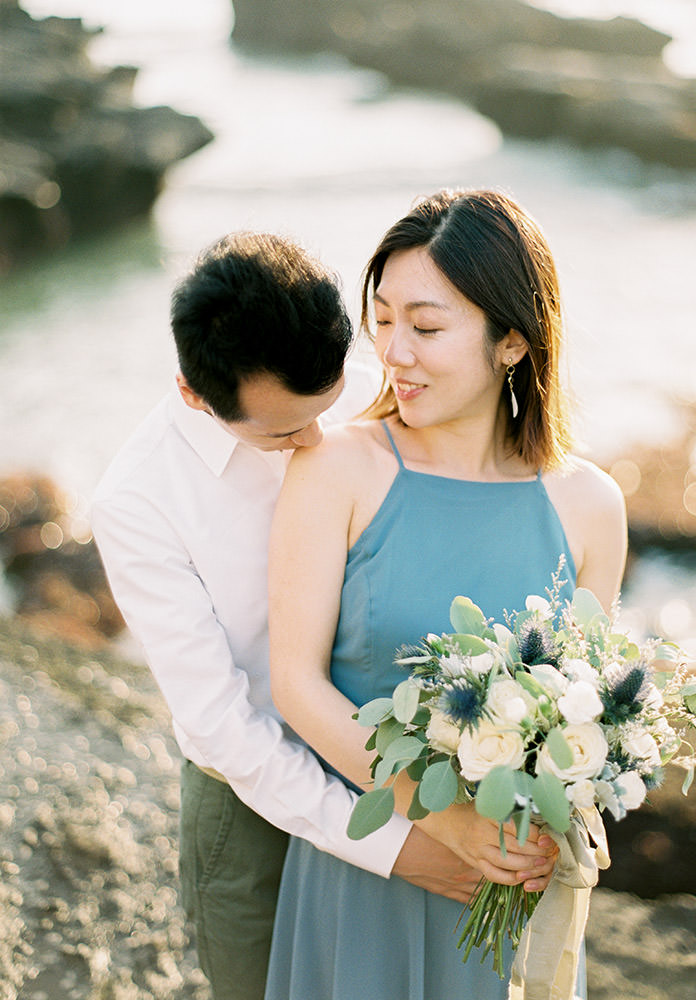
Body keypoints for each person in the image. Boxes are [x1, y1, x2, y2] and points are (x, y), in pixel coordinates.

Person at [90, 230, 558, 1000]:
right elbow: (224, 728)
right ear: (193, 395)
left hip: (406, 752)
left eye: (328, 408)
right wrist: (400, 844)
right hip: (258, 799)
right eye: (283, 432)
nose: (315, 443)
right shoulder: (139, 502)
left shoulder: (367, 387)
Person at [266, 190, 628, 999]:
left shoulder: (591, 505)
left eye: (426, 328)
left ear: (513, 342)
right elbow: (296, 683)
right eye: (384, 319)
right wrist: (442, 823)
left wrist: (530, 822)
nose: (394, 352)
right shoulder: (338, 467)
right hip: (364, 868)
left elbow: (585, 720)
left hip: (507, 888)